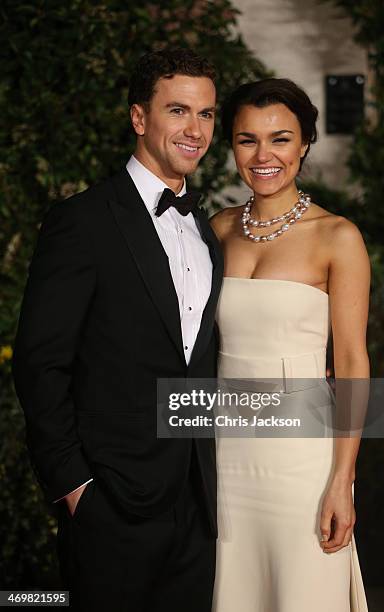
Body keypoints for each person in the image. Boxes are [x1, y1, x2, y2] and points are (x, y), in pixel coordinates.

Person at [12, 48, 223, 612]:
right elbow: (39, 361)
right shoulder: (81, 221)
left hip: (199, 504)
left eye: (206, 114)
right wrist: (76, 487)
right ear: (139, 117)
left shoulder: (207, 233)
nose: (195, 129)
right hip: (112, 502)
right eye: (178, 110)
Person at [210, 78, 369, 611]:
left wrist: (342, 480)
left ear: (304, 144)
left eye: (280, 139)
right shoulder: (217, 230)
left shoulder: (337, 237)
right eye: (246, 139)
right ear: (231, 146)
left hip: (302, 461)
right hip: (224, 456)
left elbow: (350, 362)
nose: (263, 155)